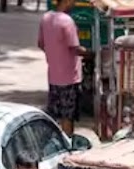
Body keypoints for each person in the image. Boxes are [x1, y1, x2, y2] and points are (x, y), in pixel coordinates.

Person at [38, 0, 88, 137]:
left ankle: (54, 142)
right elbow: (75, 48)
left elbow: (41, 44)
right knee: (67, 115)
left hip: (53, 76)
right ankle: (67, 145)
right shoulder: (67, 21)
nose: (74, 4)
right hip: (69, 77)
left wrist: (54, 55)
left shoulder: (46, 18)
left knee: (54, 114)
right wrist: (91, 54)